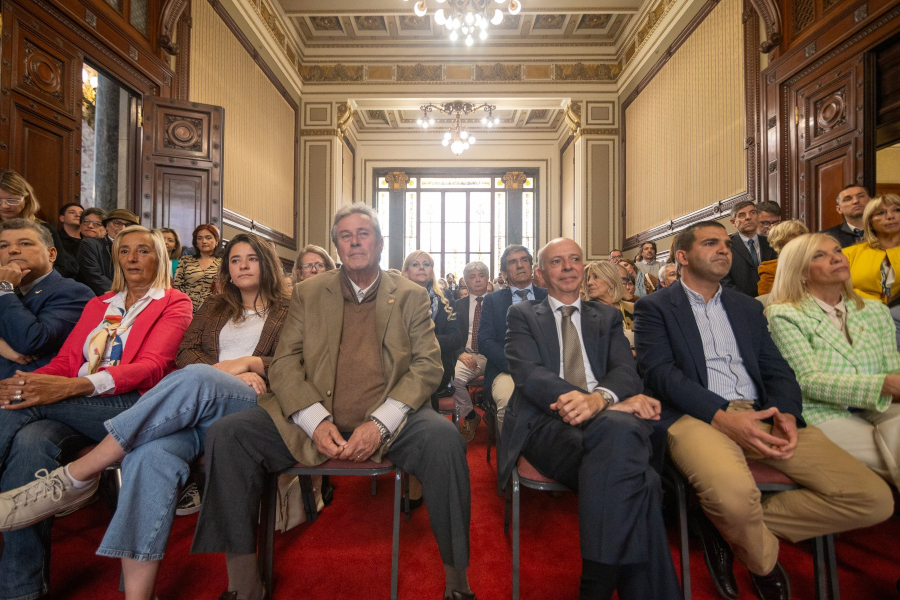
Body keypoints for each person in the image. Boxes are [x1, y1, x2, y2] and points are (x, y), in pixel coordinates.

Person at [190, 204, 476, 600]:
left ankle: (458, 584)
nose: (355, 242)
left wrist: (380, 424)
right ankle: (243, 586)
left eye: (363, 234)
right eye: (346, 235)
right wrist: (313, 420)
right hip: (311, 416)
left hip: (394, 419)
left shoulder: (409, 296)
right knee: (228, 435)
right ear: (337, 247)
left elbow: (428, 365)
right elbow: (285, 362)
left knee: (445, 442)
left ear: (380, 243)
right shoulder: (309, 293)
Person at [0, 233, 290, 599]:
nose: (243, 265)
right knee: (147, 456)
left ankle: (80, 474)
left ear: (268, 264)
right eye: (235, 259)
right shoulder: (214, 306)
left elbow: (297, 361)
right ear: (226, 269)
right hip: (194, 409)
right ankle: (138, 596)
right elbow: (186, 354)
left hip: (250, 405)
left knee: (198, 377)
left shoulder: (291, 309)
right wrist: (224, 370)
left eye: (252, 258)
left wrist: (251, 364)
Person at [634, 221, 892, 600]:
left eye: (726, 244)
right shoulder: (655, 306)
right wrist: (723, 416)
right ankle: (763, 563)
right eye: (711, 243)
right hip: (696, 415)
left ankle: (720, 524)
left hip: (762, 413)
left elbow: (777, 369)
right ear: (682, 257)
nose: (724, 250)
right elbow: (660, 374)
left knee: (873, 499)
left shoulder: (747, 306)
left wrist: (785, 411)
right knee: (735, 500)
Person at [0, 226, 192, 600]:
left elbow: (152, 368)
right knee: (29, 444)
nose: (132, 258)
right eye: (124, 251)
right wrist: (29, 383)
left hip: (133, 406)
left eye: (143, 250)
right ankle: (21, 591)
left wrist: (71, 387)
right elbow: (65, 362)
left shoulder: (174, 301)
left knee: (26, 403)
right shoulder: (99, 304)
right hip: (76, 405)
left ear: (159, 257)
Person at [499, 237, 680, 600]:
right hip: (547, 423)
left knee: (625, 450)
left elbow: (625, 371)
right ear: (540, 274)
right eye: (556, 262)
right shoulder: (522, 315)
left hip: (608, 419)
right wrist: (597, 404)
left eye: (575, 259)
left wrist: (599, 400)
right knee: (641, 478)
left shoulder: (607, 317)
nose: (568, 267)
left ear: (583, 267)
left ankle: (596, 582)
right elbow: (529, 375)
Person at [767, 233, 900, 489]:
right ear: (801, 272)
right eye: (820, 255)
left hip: (877, 404)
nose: (837, 258)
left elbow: (892, 368)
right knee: (892, 457)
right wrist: (885, 385)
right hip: (821, 411)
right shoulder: (784, 314)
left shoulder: (875, 310)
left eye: (837, 250)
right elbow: (808, 381)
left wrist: (891, 385)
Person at [0, 220, 94, 378]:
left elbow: (32, 341)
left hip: (28, 385)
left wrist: (4, 288)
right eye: (3, 246)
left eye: (25, 243)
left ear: (51, 254)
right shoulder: (6, 290)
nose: (12, 250)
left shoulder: (74, 292)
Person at [479, 244, 548, 433]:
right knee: (510, 407)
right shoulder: (492, 301)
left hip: (546, 367)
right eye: (512, 262)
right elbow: (485, 341)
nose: (520, 265)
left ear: (531, 266)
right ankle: (512, 451)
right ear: (503, 273)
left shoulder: (548, 296)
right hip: (506, 370)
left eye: (524, 260)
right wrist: (514, 365)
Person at [843, 194, 900, 348]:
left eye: (897, 210)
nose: (890, 216)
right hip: (859, 319)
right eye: (881, 213)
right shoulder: (849, 254)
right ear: (870, 222)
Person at [403, 250, 462, 398]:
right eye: (415, 264)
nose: (421, 267)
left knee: (424, 381)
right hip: (403, 364)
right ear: (406, 271)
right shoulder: (398, 297)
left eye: (426, 264)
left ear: (431, 271)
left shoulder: (445, 297)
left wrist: (420, 341)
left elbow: (455, 338)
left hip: (438, 363)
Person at [0, 169, 79, 279]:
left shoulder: (43, 229)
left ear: (27, 199)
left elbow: (61, 268)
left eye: (12, 200)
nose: (4, 206)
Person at [449, 261, 491, 442]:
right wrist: (460, 353)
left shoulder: (499, 302)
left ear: (488, 279)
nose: (478, 280)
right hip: (468, 354)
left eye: (481, 276)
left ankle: (492, 414)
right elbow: (452, 334)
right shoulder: (457, 305)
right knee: (454, 379)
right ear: (465, 281)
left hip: (494, 355)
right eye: (472, 277)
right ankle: (471, 415)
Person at [77, 208, 141, 296]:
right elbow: (93, 275)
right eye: (117, 223)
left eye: (128, 225)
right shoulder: (90, 244)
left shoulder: (139, 250)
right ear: (106, 226)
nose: (123, 228)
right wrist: (120, 294)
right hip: (100, 296)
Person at [722, 200, 777, 297]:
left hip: (772, 299)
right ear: (733, 222)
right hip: (740, 301)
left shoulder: (771, 243)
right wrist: (748, 301)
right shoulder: (725, 246)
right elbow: (724, 282)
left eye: (752, 213)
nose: (748, 217)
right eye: (742, 215)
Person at [583, 261, 635, 352]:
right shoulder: (584, 313)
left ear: (611, 281)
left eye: (596, 277)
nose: (589, 283)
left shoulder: (633, 308)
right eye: (588, 279)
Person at [174, 224, 223, 312]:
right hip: (185, 308)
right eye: (199, 238)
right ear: (196, 243)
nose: (204, 241)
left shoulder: (223, 263)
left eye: (208, 238)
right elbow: (177, 286)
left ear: (216, 241)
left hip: (212, 309)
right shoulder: (185, 260)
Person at [756, 220, 809, 297]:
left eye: (801, 233)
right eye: (791, 235)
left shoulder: (817, 263)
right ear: (779, 242)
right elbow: (767, 299)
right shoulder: (769, 269)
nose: (799, 237)